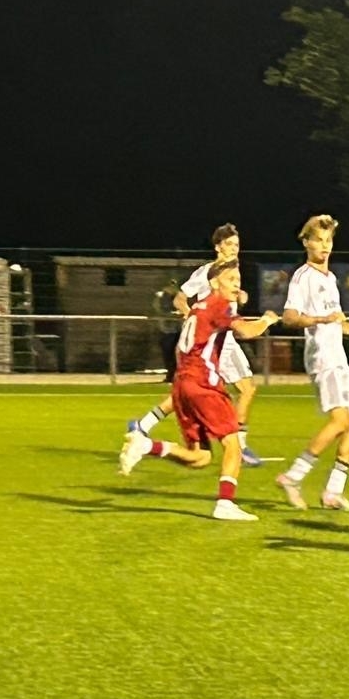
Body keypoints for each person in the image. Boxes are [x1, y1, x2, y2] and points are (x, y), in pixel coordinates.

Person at [117, 260, 280, 521]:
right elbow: (247, 331)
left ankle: (147, 445)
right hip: (203, 384)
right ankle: (225, 504)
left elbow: (182, 349)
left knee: (200, 457)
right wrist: (267, 320)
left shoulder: (197, 309)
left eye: (238, 280)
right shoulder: (218, 305)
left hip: (183, 384)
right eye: (230, 279)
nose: (236, 284)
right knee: (233, 444)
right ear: (214, 283)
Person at [126, 223, 264, 465]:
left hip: (225, 338)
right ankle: (239, 447)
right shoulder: (207, 273)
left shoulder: (230, 272)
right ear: (218, 247)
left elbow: (229, 304)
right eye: (229, 244)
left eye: (237, 245)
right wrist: (193, 316)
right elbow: (180, 298)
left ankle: (143, 425)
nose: (234, 249)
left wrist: (241, 296)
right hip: (212, 342)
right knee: (222, 389)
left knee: (225, 390)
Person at [273, 214, 349, 512]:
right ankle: (293, 477)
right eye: (318, 240)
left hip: (338, 359)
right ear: (306, 243)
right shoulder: (303, 276)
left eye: (328, 240)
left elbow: (337, 323)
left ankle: (333, 492)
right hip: (322, 358)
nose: (324, 245)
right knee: (340, 421)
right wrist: (320, 318)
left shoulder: (330, 279)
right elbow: (289, 317)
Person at [152, 277, 182, 383]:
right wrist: (171, 314)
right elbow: (158, 310)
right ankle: (170, 375)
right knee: (168, 353)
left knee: (178, 354)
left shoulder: (179, 296)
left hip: (179, 329)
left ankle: (178, 375)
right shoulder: (160, 297)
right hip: (166, 330)